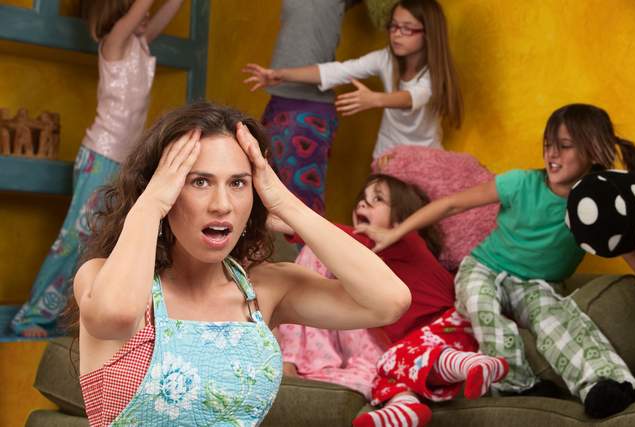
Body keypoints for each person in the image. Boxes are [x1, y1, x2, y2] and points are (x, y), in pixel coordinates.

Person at [70, 101, 411, 426]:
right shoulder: (101, 278)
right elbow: (115, 316)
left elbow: (389, 301)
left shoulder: (264, 290)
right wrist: (148, 205)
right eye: (199, 181)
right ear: (166, 190)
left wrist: (285, 202)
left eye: (238, 183)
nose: (222, 204)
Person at [357, 103, 635, 418]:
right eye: (548, 145)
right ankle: (517, 384)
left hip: (537, 283)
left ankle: (606, 382)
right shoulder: (520, 183)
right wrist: (394, 234)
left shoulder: (596, 203)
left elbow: (626, 244)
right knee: (480, 303)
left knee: (557, 319)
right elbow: (450, 205)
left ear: (592, 151)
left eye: (564, 147)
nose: (551, 155)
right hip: (484, 268)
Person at [273, 174, 508, 427]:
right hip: (411, 347)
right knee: (390, 365)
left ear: (401, 220)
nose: (363, 205)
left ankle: (473, 364)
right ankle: (404, 407)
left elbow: (341, 239)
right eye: (361, 200)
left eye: (377, 199)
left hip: (447, 327)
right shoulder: (374, 266)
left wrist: (291, 225)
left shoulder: (408, 243)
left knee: (410, 357)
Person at [11, 0, 183, 337]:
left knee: (106, 241)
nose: (146, 13)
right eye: (137, 8)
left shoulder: (138, 41)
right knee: (74, 239)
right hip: (100, 158)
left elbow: (165, 10)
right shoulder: (114, 40)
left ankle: (79, 315)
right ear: (118, 12)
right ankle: (30, 317)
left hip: (125, 162)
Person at [243, 0, 463, 161]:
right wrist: (281, 75)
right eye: (393, 27)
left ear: (428, 34)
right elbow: (337, 71)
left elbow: (411, 97)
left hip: (424, 158)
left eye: (406, 29)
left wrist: (375, 99)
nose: (396, 34)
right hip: (386, 157)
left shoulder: (432, 75)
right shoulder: (385, 58)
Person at [245, 0, 360, 215]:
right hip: (279, 100)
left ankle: (307, 250)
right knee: (266, 194)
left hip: (308, 110)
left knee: (299, 202)